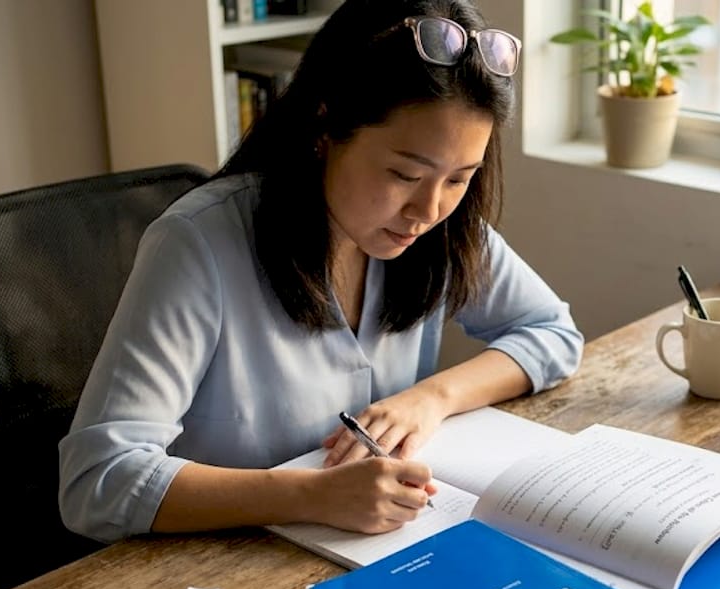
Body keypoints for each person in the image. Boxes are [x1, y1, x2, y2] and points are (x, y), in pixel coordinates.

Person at [58, 0, 583, 543]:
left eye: (459, 179)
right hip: (217, 562)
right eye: (404, 175)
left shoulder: (442, 230)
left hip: (374, 550)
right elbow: (97, 479)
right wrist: (310, 496)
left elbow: (552, 333)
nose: (428, 211)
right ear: (323, 127)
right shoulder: (198, 243)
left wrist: (431, 399)